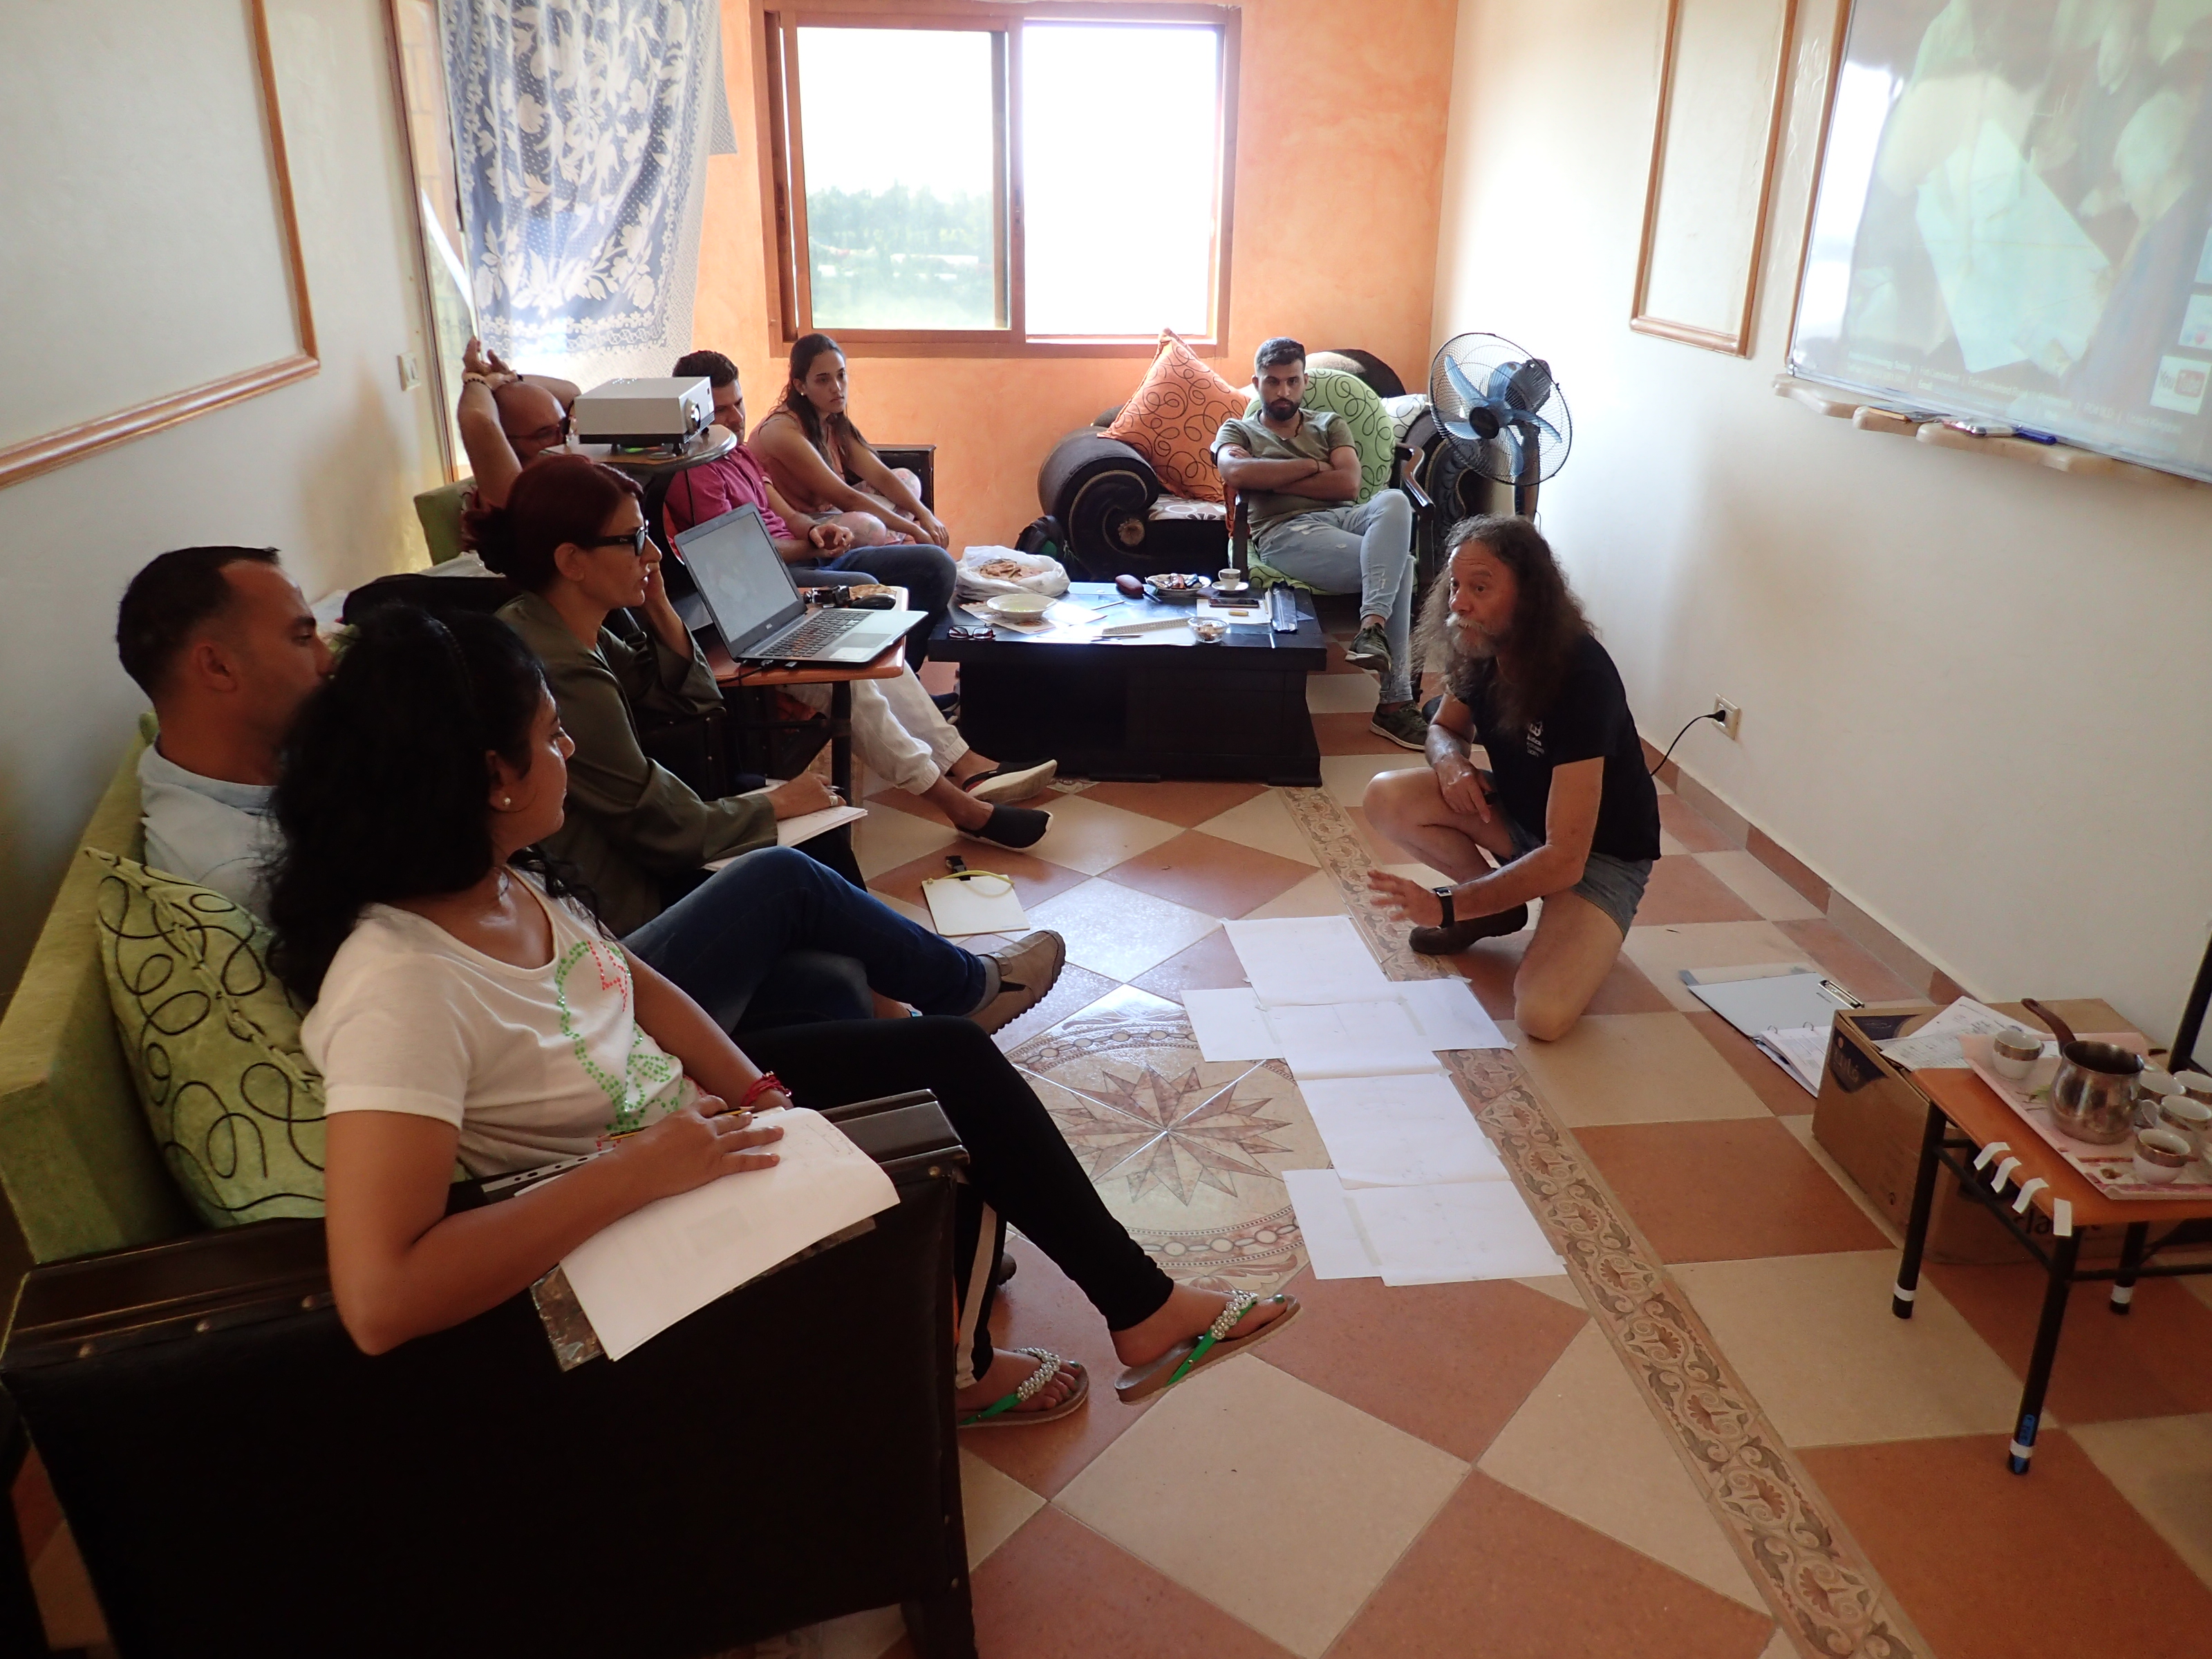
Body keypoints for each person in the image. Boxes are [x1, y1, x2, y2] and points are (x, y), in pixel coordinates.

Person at [279, 604, 1299, 1422]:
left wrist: (755, 1090)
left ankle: (1132, 1312)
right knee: (942, 1112)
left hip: (682, 1135)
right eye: (551, 737)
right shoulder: (399, 985)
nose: (570, 750)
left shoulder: (498, 879)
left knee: (936, 1053)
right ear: (488, 780)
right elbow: (381, 1300)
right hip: (633, 1207)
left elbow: (637, 987)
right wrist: (641, 1169)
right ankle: (977, 1360)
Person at [113, 545, 1056, 1034]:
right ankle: (962, 996)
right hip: (551, 1003)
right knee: (789, 882)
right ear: (215, 667)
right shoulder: (226, 857)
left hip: (562, 957)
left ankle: (915, 1138)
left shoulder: (278, 777)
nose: (326, 655)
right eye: (297, 637)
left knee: (825, 977)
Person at [480, 456, 1059, 883]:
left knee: (853, 693)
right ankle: (912, 994)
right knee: (816, 849)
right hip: (622, 877)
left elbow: (694, 699)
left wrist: (655, 603)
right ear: (570, 561)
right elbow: (660, 824)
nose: (653, 554)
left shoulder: (584, 625)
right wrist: (776, 805)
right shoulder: (559, 669)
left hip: (662, 823)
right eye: (634, 541)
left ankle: (887, 1007)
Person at [660, 351, 1056, 831]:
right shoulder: (694, 472)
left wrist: (813, 533)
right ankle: (962, 803)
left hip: (781, 580)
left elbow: (781, 511)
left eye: (738, 404)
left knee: (867, 646)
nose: (736, 418)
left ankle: (965, 767)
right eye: (721, 410)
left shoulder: (734, 450)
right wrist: (810, 545)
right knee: (858, 662)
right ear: (694, 411)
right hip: (752, 600)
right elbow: (737, 559)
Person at [1362, 516, 1660, 1042]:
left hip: (1599, 857)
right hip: (1523, 822)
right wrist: (1451, 763)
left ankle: (1533, 913)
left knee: (1541, 1016)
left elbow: (1568, 858)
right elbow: (1443, 729)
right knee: (1387, 794)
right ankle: (1494, 912)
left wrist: (1446, 906)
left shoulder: (1582, 679)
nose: (1459, 602)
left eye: (1480, 588)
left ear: (1529, 596)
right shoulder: (1481, 647)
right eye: (1455, 586)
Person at [1213, 337, 1425, 751]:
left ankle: (1370, 629)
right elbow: (1236, 472)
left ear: (1304, 381)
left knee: (1395, 500)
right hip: (1286, 531)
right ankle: (1395, 704)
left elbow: (1348, 483)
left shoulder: (1329, 424)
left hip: (1344, 516)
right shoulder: (1240, 429)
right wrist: (1313, 465)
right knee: (1404, 567)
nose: (1283, 392)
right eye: (1272, 382)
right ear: (1257, 383)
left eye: (1292, 382)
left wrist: (1273, 474)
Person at [747, 333, 958, 663]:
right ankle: (894, 540)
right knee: (870, 525)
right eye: (824, 379)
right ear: (800, 385)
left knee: (907, 480)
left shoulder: (832, 420)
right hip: (806, 534)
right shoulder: (782, 431)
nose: (837, 387)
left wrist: (924, 515)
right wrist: (914, 529)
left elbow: (882, 476)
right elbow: (844, 497)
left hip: (832, 516)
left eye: (841, 375)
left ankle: (894, 540)